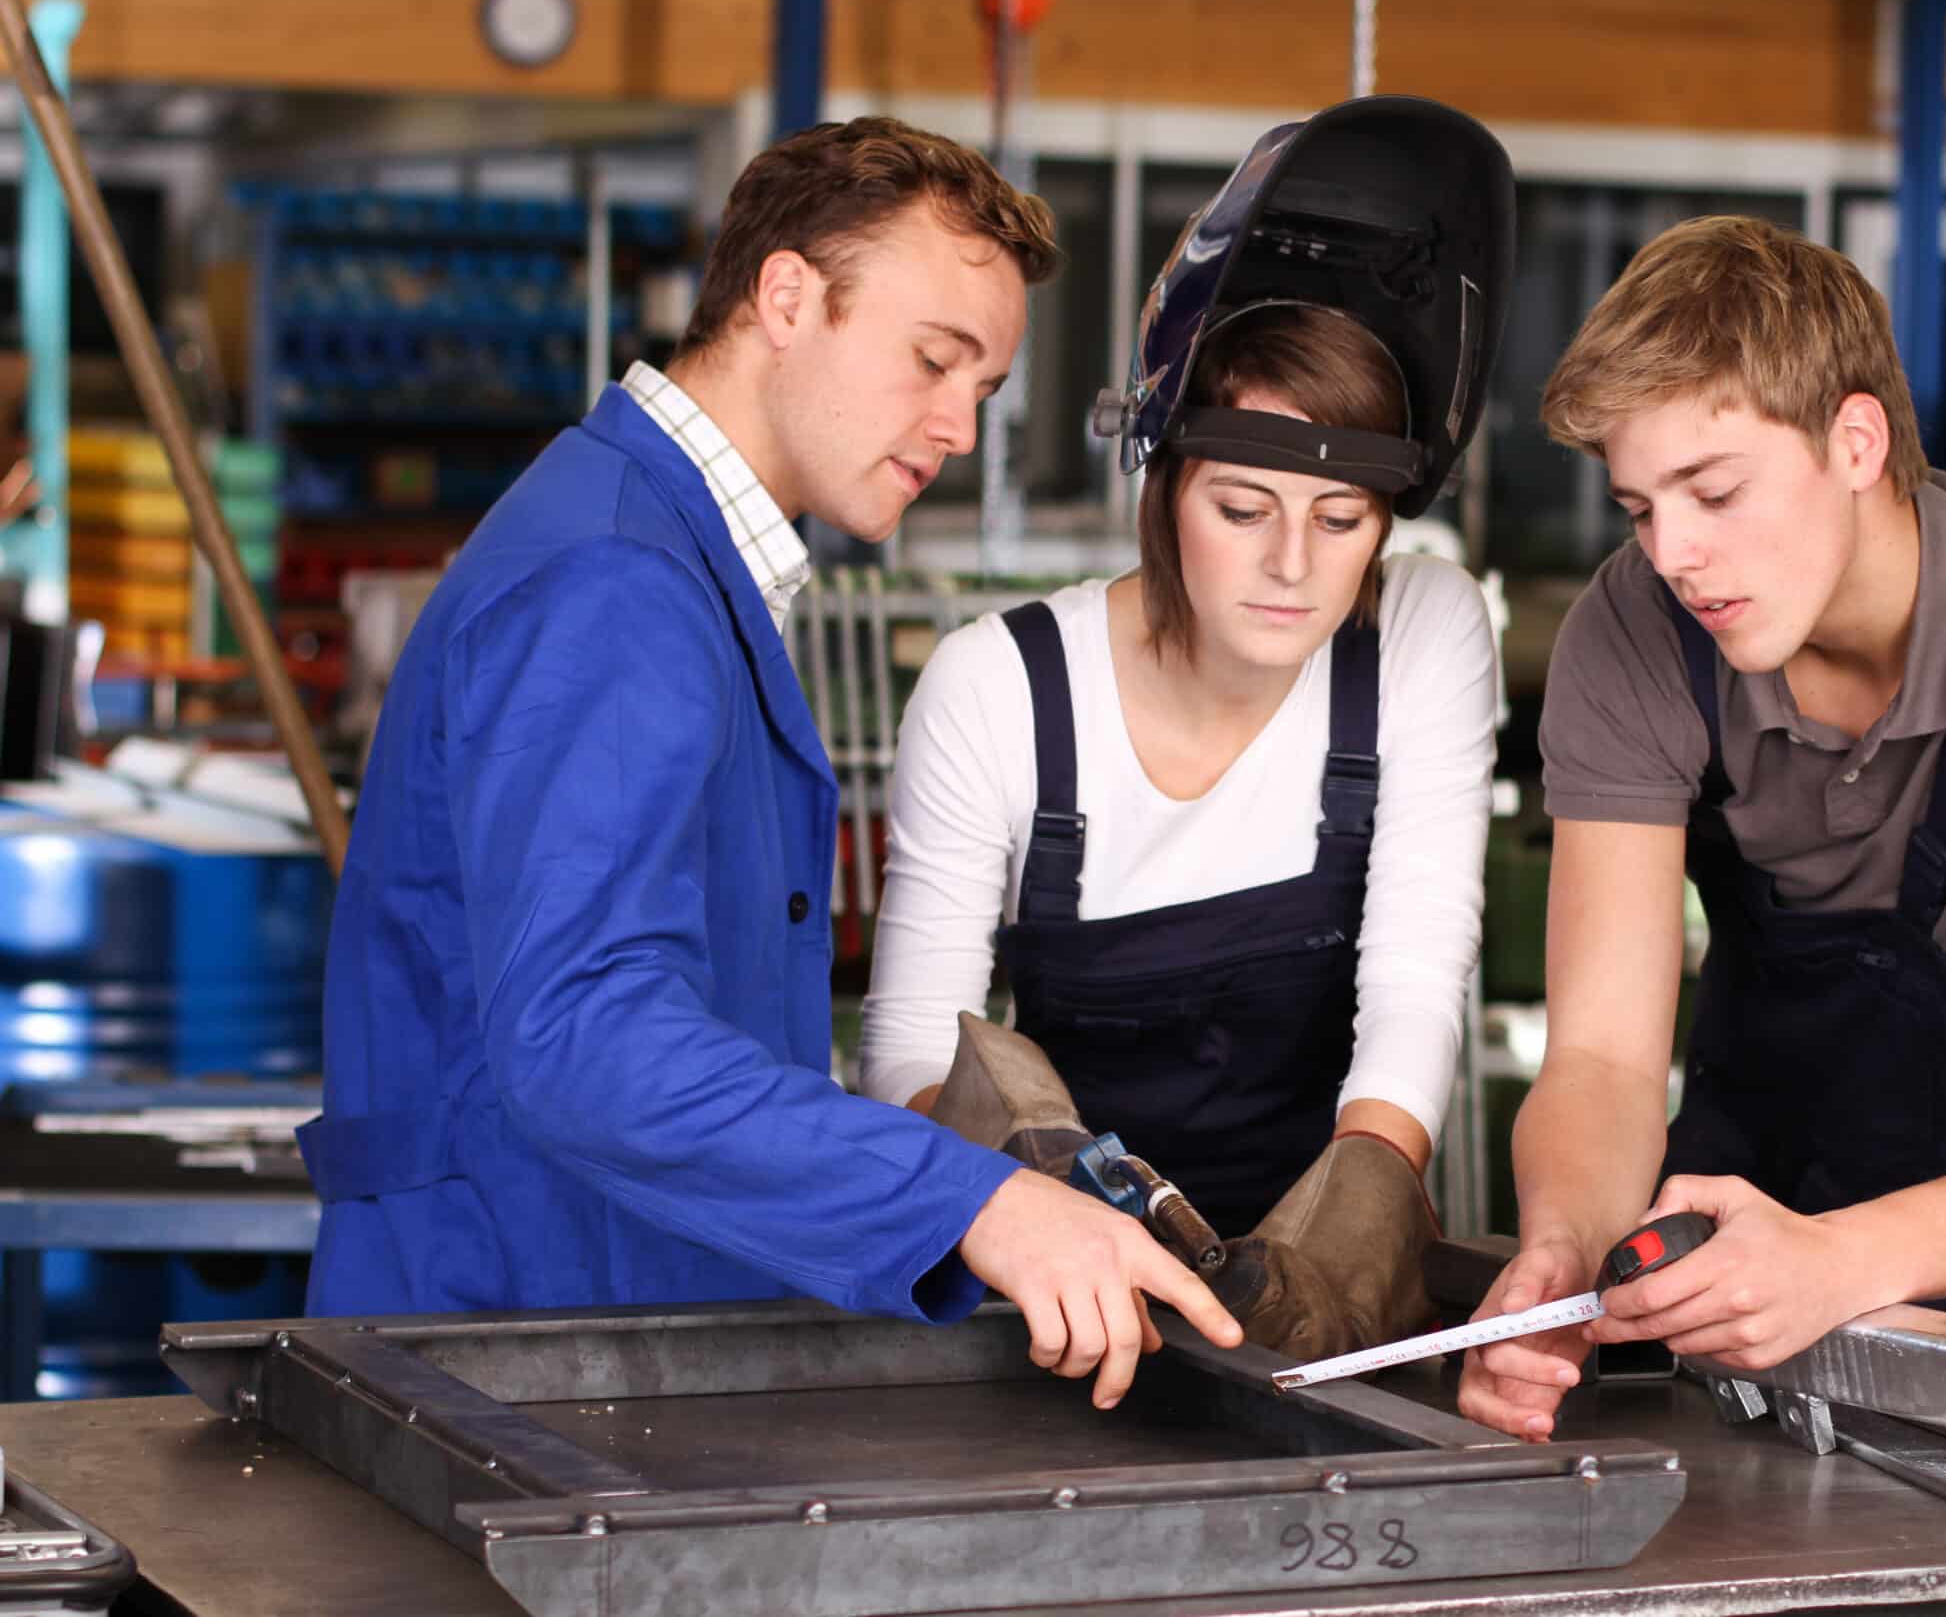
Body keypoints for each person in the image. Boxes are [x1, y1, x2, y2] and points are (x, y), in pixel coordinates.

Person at [296, 117, 1240, 1409]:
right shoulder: (616, 581)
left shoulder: (669, 552)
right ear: (786, 296)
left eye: (985, 388)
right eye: (933, 360)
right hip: (506, 1351)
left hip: (562, 1334)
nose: (958, 426)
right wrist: (972, 1203)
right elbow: (585, 1031)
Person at [1460, 216, 1946, 1439]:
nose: (1675, 557)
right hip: (1724, 1273)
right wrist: (1560, 1253)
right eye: (1639, 507)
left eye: (1714, 492)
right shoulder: (1633, 630)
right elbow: (1599, 1059)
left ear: (1854, 441)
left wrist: (1834, 1264)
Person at [861, 96, 1513, 1360]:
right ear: (1160, 484)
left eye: (1342, 521)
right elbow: (908, 1052)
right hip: (1047, 1295)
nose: (1291, 566)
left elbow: (1415, 974)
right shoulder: (1000, 688)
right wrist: (1042, 1205)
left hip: (1315, 1298)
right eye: (1242, 506)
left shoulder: (1424, 634)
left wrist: (1364, 1213)